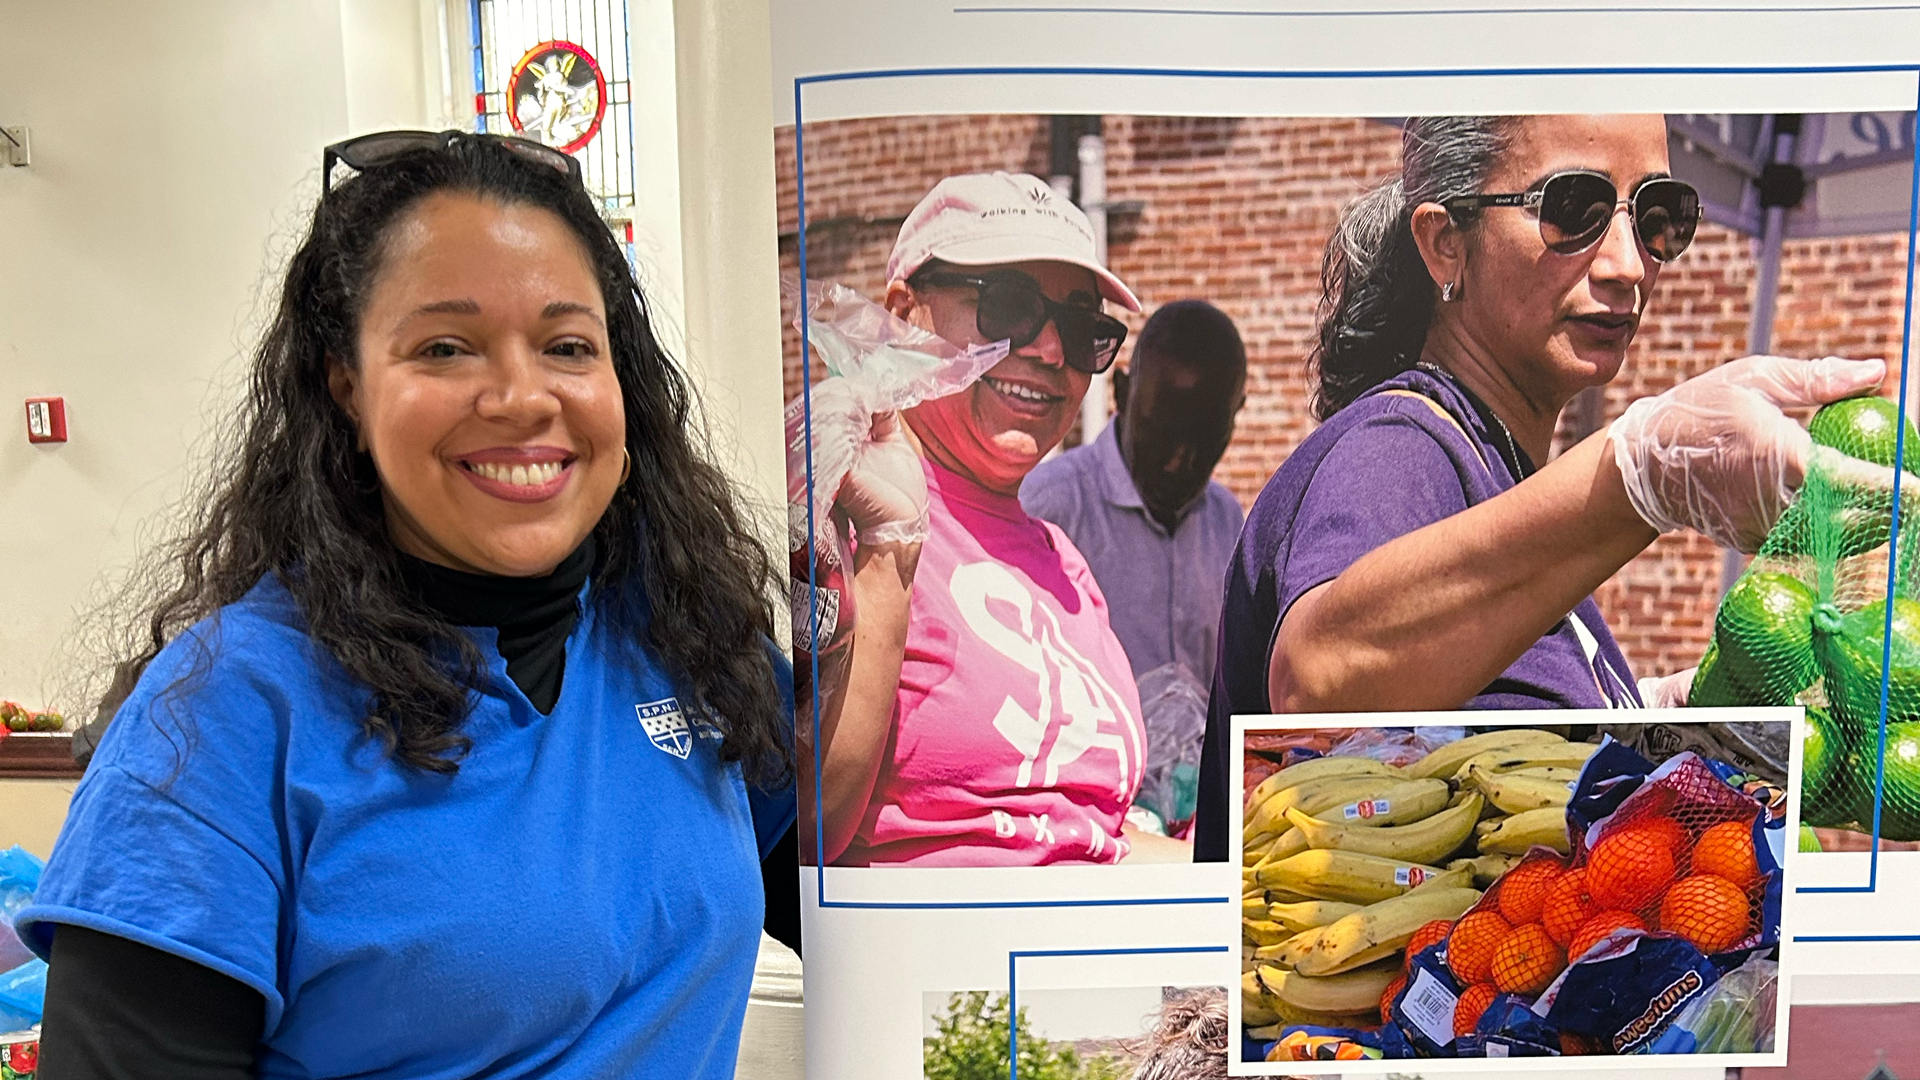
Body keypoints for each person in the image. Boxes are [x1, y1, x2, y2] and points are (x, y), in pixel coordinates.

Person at [18, 131, 794, 1078]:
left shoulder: (689, 638)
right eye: (445, 346)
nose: (521, 395)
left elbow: (856, 885)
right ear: (347, 387)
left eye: (567, 345)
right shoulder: (224, 717)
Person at [1194, 114, 1891, 861]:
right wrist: (1638, 479)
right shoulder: (1398, 449)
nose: (1629, 264)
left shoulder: (1501, 482)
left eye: (1658, 215)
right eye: (1574, 209)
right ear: (1444, 242)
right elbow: (1318, 678)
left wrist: (1655, 711)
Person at [801, 171, 1188, 866]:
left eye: (1080, 328)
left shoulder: (1063, 561)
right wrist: (891, 549)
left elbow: (1085, 829)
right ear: (905, 312)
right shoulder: (840, 511)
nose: (1047, 350)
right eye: (1009, 305)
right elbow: (799, 834)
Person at [1021, 300, 1248, 687]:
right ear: (1122, 394)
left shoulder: (1225, 522)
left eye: (1206, 443)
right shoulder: (1049, 509)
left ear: (1235, 415)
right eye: (1160, 434)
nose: (1179, 464)